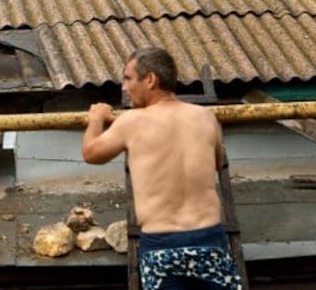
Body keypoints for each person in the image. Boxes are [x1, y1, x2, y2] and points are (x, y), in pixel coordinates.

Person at [81, 47, 242, 289]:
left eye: (128, 78)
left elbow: (91, 153)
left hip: (162, 246)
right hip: (209, 239)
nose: (124, 87)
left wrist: (96, 117)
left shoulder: (131, 122)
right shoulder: (205, 117)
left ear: (150, 79)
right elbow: (217, 162)